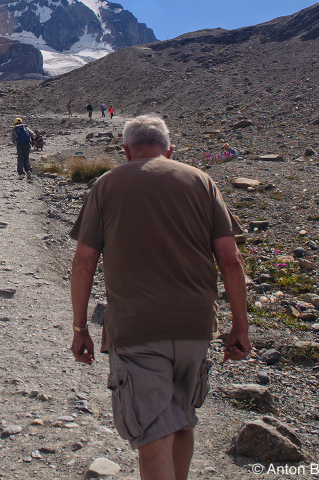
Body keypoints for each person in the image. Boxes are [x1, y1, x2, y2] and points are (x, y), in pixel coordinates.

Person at [68, 115, 250, 480]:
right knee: (182, 421)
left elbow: (84, 264)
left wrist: (79, 328)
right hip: (195, 327)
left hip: (136, 329)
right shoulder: (202, 181)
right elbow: (231, 259)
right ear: (170, 149)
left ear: (125, 150)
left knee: (152, 433)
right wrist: (240, 326)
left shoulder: (106, 186)